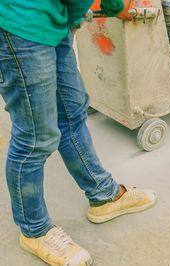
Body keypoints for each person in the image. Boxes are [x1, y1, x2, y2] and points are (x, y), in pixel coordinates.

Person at [0, 0, 157, 265]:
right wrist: (117, 8)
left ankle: (103, 195)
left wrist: (71, 19)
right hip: (21, 24)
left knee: (71, 114)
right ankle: (34, 230)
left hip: (53, 18)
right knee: (34, 138)